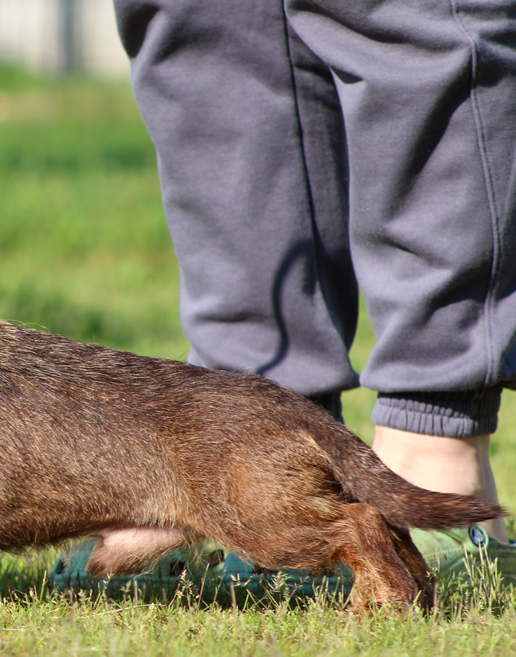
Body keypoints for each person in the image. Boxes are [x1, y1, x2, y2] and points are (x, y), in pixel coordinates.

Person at [50, 0, 516, 597]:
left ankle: (434, 435)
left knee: (401, 12)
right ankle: (244, 457)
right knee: (209, 23)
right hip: (234, 428)